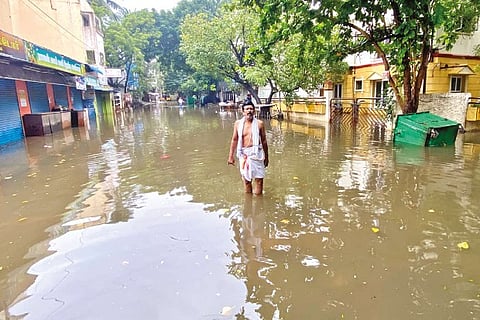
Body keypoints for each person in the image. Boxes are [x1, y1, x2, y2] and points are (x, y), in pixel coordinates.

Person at [228, 101, 269, 195]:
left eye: (251, 109)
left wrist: (267, 157)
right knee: (246, 181)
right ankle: (248, 204)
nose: (249, 111)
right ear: (243, 111)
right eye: (247, 109)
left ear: (254, 111)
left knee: (259, 180)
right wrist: (231, 156)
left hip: (257, 155)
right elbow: (234, 140)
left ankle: (259, 203)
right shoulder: (238, 124)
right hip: (244, 155)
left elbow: (264, 141)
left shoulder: (259, 124)